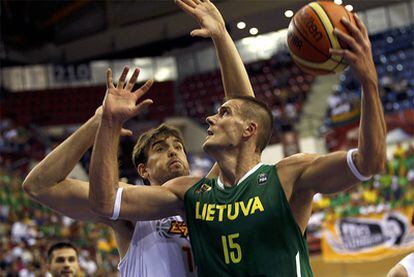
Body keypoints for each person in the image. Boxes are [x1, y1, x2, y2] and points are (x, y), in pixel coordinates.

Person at [89, 2, 386, 276]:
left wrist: (368, 82)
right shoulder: (191, 192)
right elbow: (104, 202)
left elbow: (369, 161)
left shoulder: (289, 176)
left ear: (249, 130)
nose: (209, 118)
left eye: (223, 113)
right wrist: (109, 124)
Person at [22, 0, 253, 276]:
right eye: (161, 148)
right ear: (142, 170)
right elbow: (38, 186)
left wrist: (222, 37)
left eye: (178, 147)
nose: (173, 152)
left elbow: (245, 118)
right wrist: (97, 123)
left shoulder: (206, 193)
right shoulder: (129, 208)